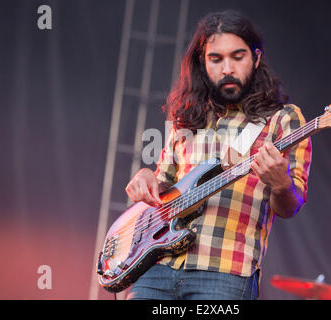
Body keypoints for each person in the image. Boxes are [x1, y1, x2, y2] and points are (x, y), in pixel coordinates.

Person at [125, 10, 312, 300]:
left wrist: (280, 183)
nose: (227, 68)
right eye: (216, 59)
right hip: (157, 266)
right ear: (203, 62)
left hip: (224, 272)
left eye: (238, 57)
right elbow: (163, 186)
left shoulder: (283, 120)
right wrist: (146, 177)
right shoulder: (186, 116)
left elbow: (291, 206)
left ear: (256, 58)